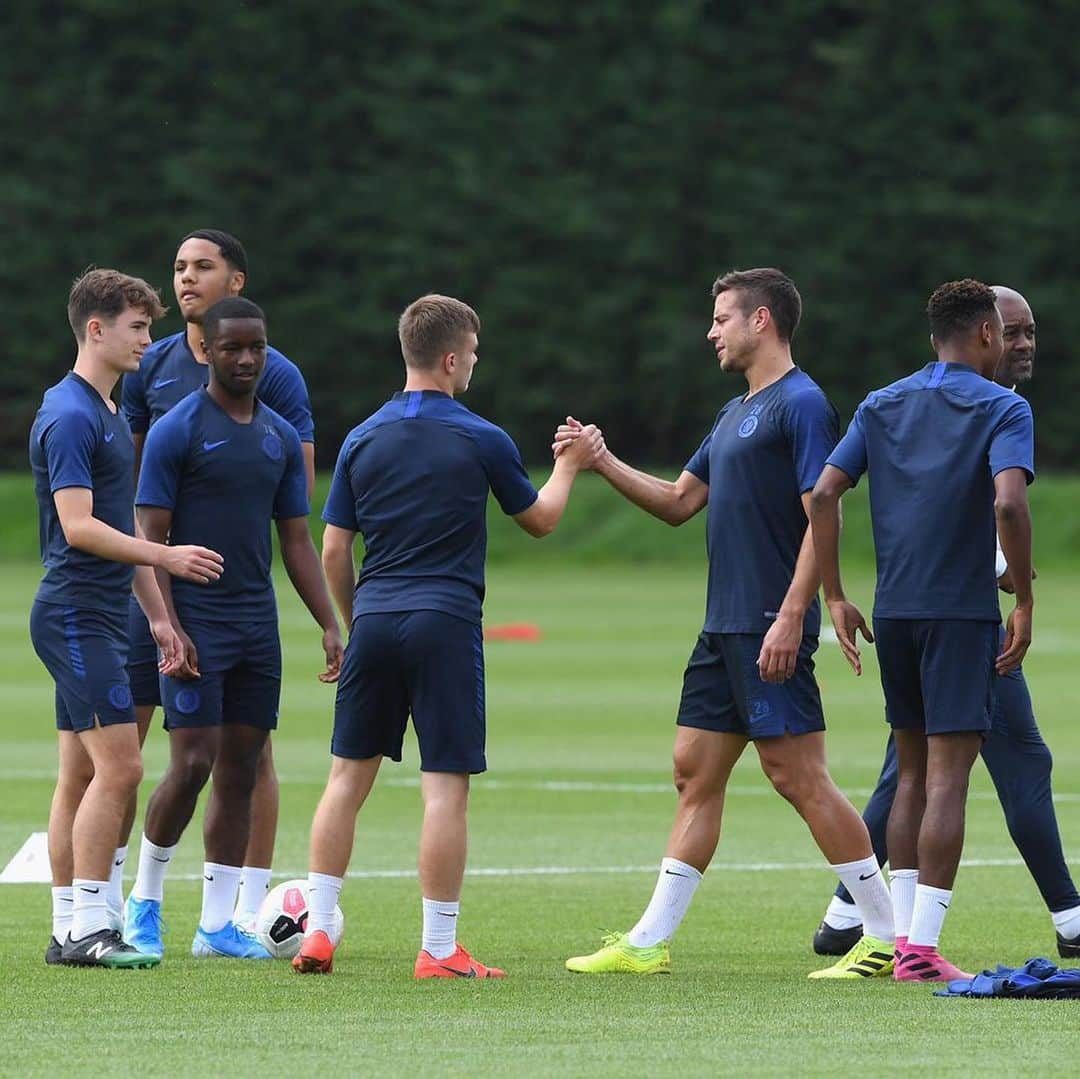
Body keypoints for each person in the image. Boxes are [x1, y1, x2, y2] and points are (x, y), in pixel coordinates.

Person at [560, 268, 895, 981]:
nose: (711, 331)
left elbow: (821, 513)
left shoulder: (802, 405)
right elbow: (681, 501)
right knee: (693, 771)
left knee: (798, 775)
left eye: (721, 318)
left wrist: (798, 611)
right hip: (723, 626)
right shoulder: (732, 412)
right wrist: (601, 460)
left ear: (761, 320)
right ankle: (649, 939)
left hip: (769, 621)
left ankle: (888, 934)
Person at [291, 294, 604, 977]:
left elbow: (335, 549)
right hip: (445, 619)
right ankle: (438, 948)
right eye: (474, 358)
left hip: (372, 619)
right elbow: (542, 519)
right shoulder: (479, 435)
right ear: (453, 357)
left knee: (345, 778)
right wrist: (573, 463)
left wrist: (348, 622)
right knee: (444, 788)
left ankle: (318, 930)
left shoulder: (361, 437)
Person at [812, 286, 1080, 960]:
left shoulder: (881, 401)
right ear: (986, 333)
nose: (1021, 344)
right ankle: (920, 947)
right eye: (1012, 332)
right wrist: (1022, 596)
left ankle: (886, 931)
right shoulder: (1002, 406)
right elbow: (1011, 505)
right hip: (961, 613)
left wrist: (834, 595)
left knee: (908, 775)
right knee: (947, 779)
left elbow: (822, 493)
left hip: (893, 610)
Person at [125, 297, 342, 960]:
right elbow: (146, 536)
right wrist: (165, 624)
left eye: (257, 347)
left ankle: (217, 925)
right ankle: (145, 900)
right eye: (233, 348)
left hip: (255, 625)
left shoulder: (277, 434)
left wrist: (331, 623)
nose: (246, 358)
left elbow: (298, 541)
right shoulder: (178, 430)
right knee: (190, 763)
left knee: (242, 768)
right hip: (195, 623)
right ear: (209, 351)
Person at [30, 268, 223, 967]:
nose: (149, 339)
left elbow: (117, 523)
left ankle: (66, 927)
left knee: (81, 776)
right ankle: (89, 923)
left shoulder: (108, 413)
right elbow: (80, 527)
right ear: (96, 329)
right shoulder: (73, 414)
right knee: (123, 767)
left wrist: (160, 618)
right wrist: (166, 558)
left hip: (104, 613)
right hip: (76, 614)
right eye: (139, 327)